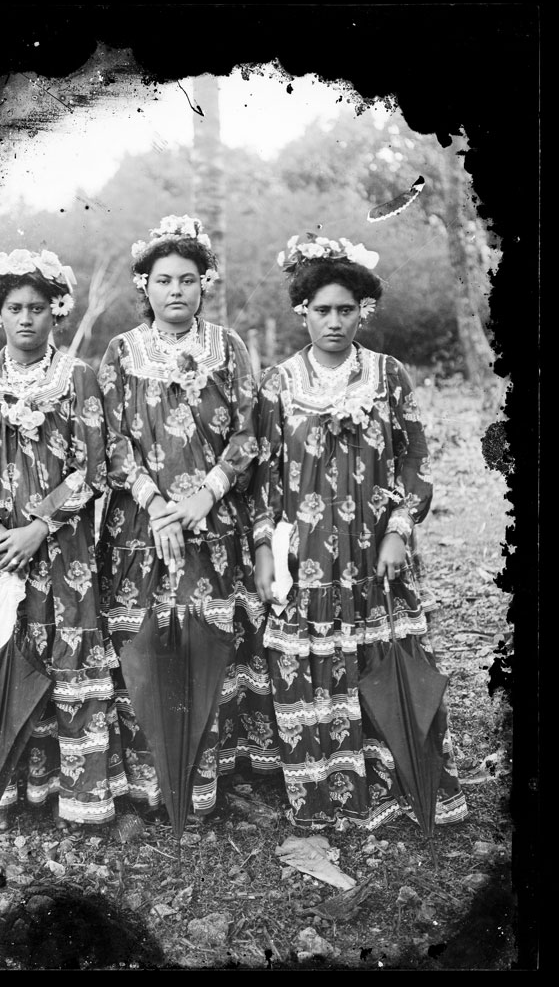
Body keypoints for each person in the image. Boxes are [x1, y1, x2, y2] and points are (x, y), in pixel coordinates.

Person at [252, 234, 467, 831]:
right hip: (311, 559)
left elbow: (412, 458)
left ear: (363, 310)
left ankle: (406, 785)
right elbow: (265, 478)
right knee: (317, 668)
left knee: (388, 660)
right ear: (302, 312)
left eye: (347, 309)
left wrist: (400, 527)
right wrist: (266, 549)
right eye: (322, 310)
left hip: (377, 555)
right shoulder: (277, 385)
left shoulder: (387, 374)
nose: (335, 321)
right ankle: (330, 798)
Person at [0, 248, 126, 831]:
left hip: (60, 552)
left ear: (56, 312)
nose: (27, 319)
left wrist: (38, 526)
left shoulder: (80, 377)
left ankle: (67, 793)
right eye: (15, 308)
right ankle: (0, 780)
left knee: (60, 656)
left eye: (38, 308)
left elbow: (93, 467)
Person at [97, 215, 280, 818]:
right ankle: (155, 782)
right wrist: (155, 504)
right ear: (143, 286)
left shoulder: (229, 348)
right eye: (162, 279)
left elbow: (250, 433)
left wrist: (206, 494)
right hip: (141, 527)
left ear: (205, 284)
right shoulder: (121, 352)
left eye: (187, 279)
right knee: (148, 641)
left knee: (211, 641)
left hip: (215, 523)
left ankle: (221, 777)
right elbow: (111, 440)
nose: (175, 290)